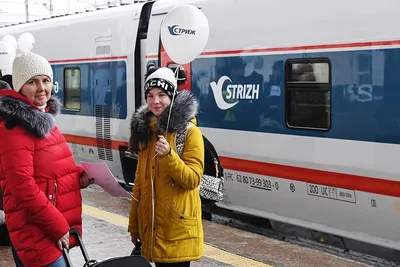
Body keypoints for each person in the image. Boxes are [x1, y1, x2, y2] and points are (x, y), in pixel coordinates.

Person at [0, 52, 93, 267]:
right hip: (36, 232)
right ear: (20, 87)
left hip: (46, 227)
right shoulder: (13, 127)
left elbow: (51, 166)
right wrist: (58, 227)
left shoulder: (42, 119)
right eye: (32, 82)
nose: (41, 88)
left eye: (45, 80)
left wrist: (78, 176)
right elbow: (22, 186)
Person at [128, 67, 205, 267]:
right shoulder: (146, 132)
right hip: (151, 229)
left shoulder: (189, 132)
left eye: (162, 95)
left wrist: (169, 156)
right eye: (150, 95)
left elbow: (193, 179)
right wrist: (135, 227)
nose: (155, 101)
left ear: (172, 96)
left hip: (177, 232)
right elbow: (139, 184)